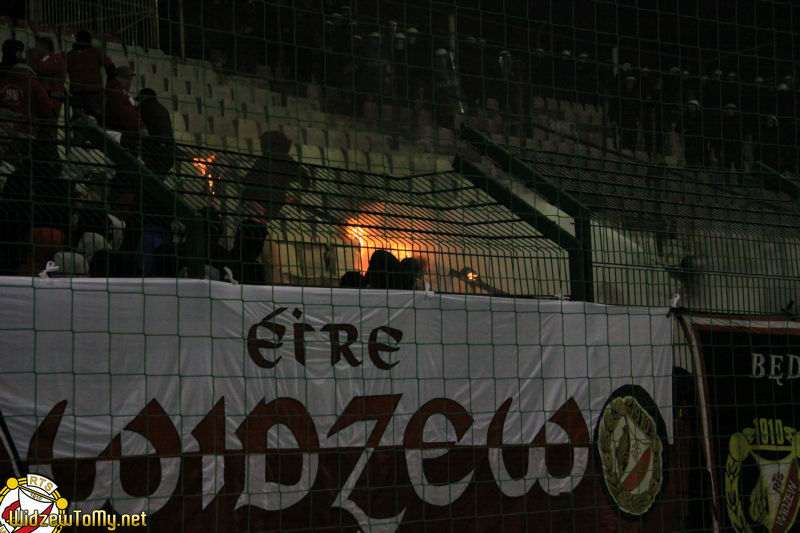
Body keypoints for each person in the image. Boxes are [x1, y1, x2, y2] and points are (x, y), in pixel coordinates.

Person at [241, 130, 311, 221]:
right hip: (263, 207)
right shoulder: (286, 162)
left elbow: (248, 181)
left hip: (253, 205)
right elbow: (305, 181)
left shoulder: (263, 160)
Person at [66, 29, 115, 118]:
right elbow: (111, 68)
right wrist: (108, 87)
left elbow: (62, 71)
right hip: (94, 93)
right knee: (96, 120)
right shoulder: (96, 52)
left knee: (79, 121)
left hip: (79, 94)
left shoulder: (71, 55)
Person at [104, 65, 147, 145]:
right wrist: (139, 127)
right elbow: (125, 113)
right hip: (120, 134)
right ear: (118, 78)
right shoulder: (118, 93)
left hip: (121, 133)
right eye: (126, 79)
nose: (129, 83)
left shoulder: (120, 92)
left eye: (130, 80)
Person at [137, 88, 174, 175]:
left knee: (149, 180)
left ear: (144, 97)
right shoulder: (163, 109)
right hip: (167, 152)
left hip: (153, 152)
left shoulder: (144, 108)